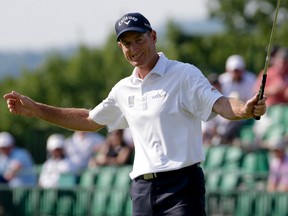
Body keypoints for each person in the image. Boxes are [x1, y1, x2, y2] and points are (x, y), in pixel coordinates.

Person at [3, 12, 266, 215]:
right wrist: (37, 109)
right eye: (126, 43)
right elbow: (89, 120)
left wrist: (244, 109)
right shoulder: (123, 89)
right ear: (120, 48)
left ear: (153, 36)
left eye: (138, 39)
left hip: (182, 186)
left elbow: (219, 103)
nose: (133, 48)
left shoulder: (184, 74)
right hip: (142, 191)